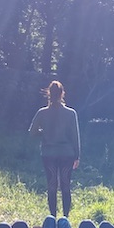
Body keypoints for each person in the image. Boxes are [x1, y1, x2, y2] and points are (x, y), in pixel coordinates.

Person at [29, 81, 81, 218]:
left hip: (48, 154)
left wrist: (44, 133)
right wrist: (77, 156)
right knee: (65, 185)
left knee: (51, 185)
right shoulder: (71, 113)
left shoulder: (42, 113)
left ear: (49, 94)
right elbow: (75, 136)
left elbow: (32, 132)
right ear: (62, 94)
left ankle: (52, 217)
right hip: (67, 154)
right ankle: (65, 217)